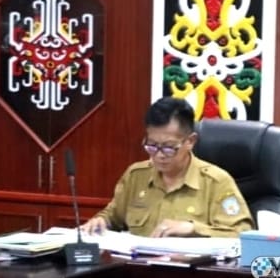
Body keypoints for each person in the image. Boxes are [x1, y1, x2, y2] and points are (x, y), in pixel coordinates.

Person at [82, 97, 253, 238]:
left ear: (190, 141)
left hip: (189, 269)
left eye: (169, 147)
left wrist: (193, 229)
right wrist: (101, 222)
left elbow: (242, 233)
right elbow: (112, 216)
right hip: (137, 266)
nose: (159, 155)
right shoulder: (136, 176)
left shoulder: (216, 182)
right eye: (152, 145)